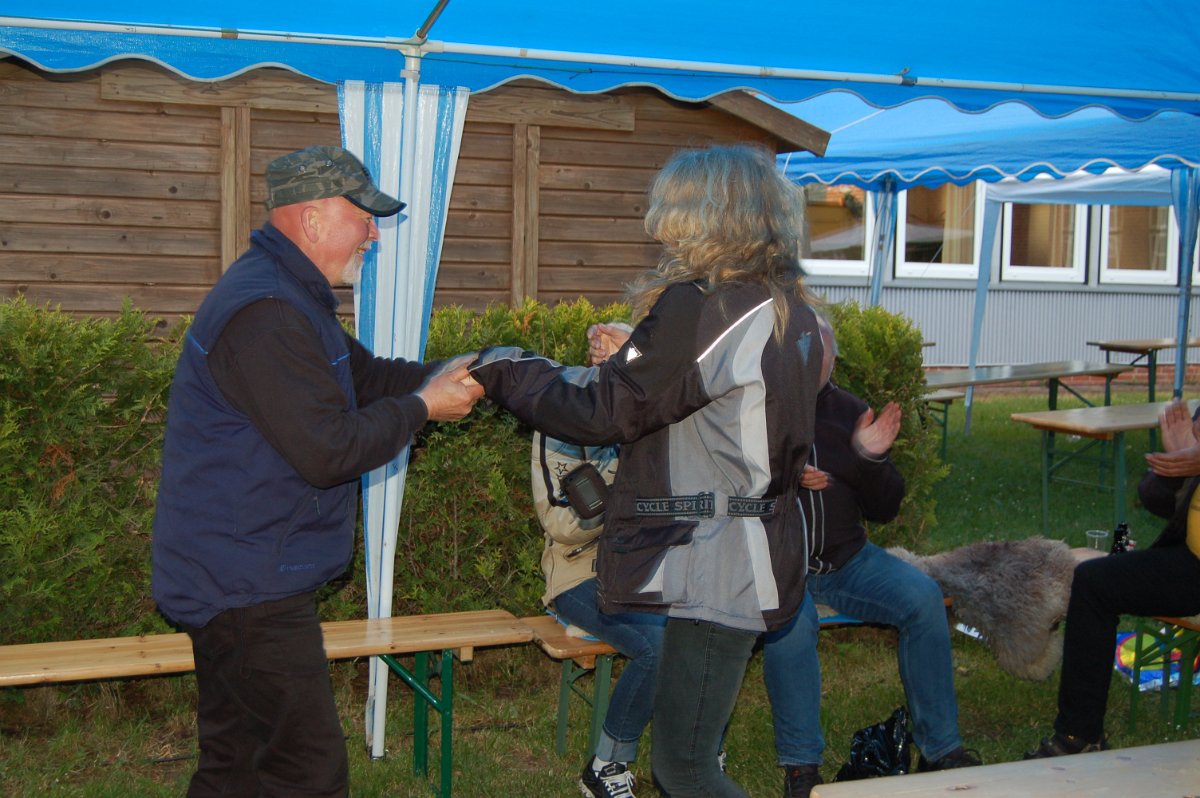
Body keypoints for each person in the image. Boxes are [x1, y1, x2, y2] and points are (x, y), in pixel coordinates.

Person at [469, 143, 825, 797]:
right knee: (686, 759)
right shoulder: (796, 314)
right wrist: (635, 356)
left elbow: (601, 413)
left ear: (707, 215)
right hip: (761, 547)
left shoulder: (703, 305)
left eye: (669, 208)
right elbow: (703, 406)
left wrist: (500, 366)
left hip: (719, 563)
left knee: (684, 768)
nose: (657, 224)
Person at [150, 145, 484, 797]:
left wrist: (464, 371)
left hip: (240, 571)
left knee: (239, 764)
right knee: (306, 771)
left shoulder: (292, 300)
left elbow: (369, 379)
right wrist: (423, 407)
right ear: (311, 216)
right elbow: (327, 451)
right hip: (243, 585)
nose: (372, 231)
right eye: (363, 216)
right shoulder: (267, 313)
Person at [761, 316, 980, 798]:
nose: (808, 357)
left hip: (848, 561)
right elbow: (730, 488)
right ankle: (801, 765)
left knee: (923, 598)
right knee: (790, 627)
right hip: (780, 566)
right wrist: (784, 479)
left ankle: (940, 747)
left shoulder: (851, 412)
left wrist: (871, 459)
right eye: (799, 346)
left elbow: (885, 509)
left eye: (818, 349)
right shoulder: (758, 406)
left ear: (832, 358)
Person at [531, 322, 666, 798]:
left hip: (647, 567)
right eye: (612, 362)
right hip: (578, 575)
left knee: (708, 625)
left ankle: (693, 754)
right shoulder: (563, 418)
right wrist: (623, 487)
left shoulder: (652, 413)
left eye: (630, 361)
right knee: (659, 648)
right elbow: (560, 523)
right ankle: (607, 765)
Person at [1024, 399, 1200, 758]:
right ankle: (1079, 736)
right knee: (1094, 582)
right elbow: (1155, 498)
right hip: (1191, 563)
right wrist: (1176, 467)